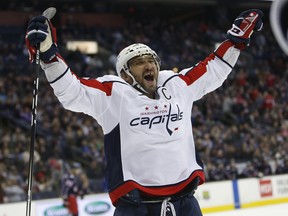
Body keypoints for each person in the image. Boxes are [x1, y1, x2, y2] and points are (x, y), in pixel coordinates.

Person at [25, 9, 263, 216]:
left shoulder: (176, 84)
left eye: (151, 60)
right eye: (139, 62)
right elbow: (73, 91)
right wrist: (48, 55)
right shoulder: (113, 94)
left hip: (185, 205)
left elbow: (213, 70)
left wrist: (235, 40)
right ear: (126, 74)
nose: (149, 65)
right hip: (135, 208)